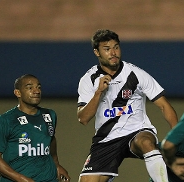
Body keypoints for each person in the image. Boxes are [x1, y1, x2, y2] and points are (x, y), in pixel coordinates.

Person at [76, 29, 178, 182]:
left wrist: (177, 137)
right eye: (107, 49)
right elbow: (83, 118)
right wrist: (98, 93)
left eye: (116, 47)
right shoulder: (88, 79)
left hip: (137, 131)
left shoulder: (135, 74)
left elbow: (164, 106)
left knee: (147, 143)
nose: (113, 53)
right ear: (96, 52)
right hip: (106, 140)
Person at [0, 74, 70, 182]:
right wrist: (21, 179)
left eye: (38, 87)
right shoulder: (5, 120)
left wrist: (57, 165)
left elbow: (51, 140)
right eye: (30, 88)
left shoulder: (50, 115)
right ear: (18, 93)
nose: (36, 91)